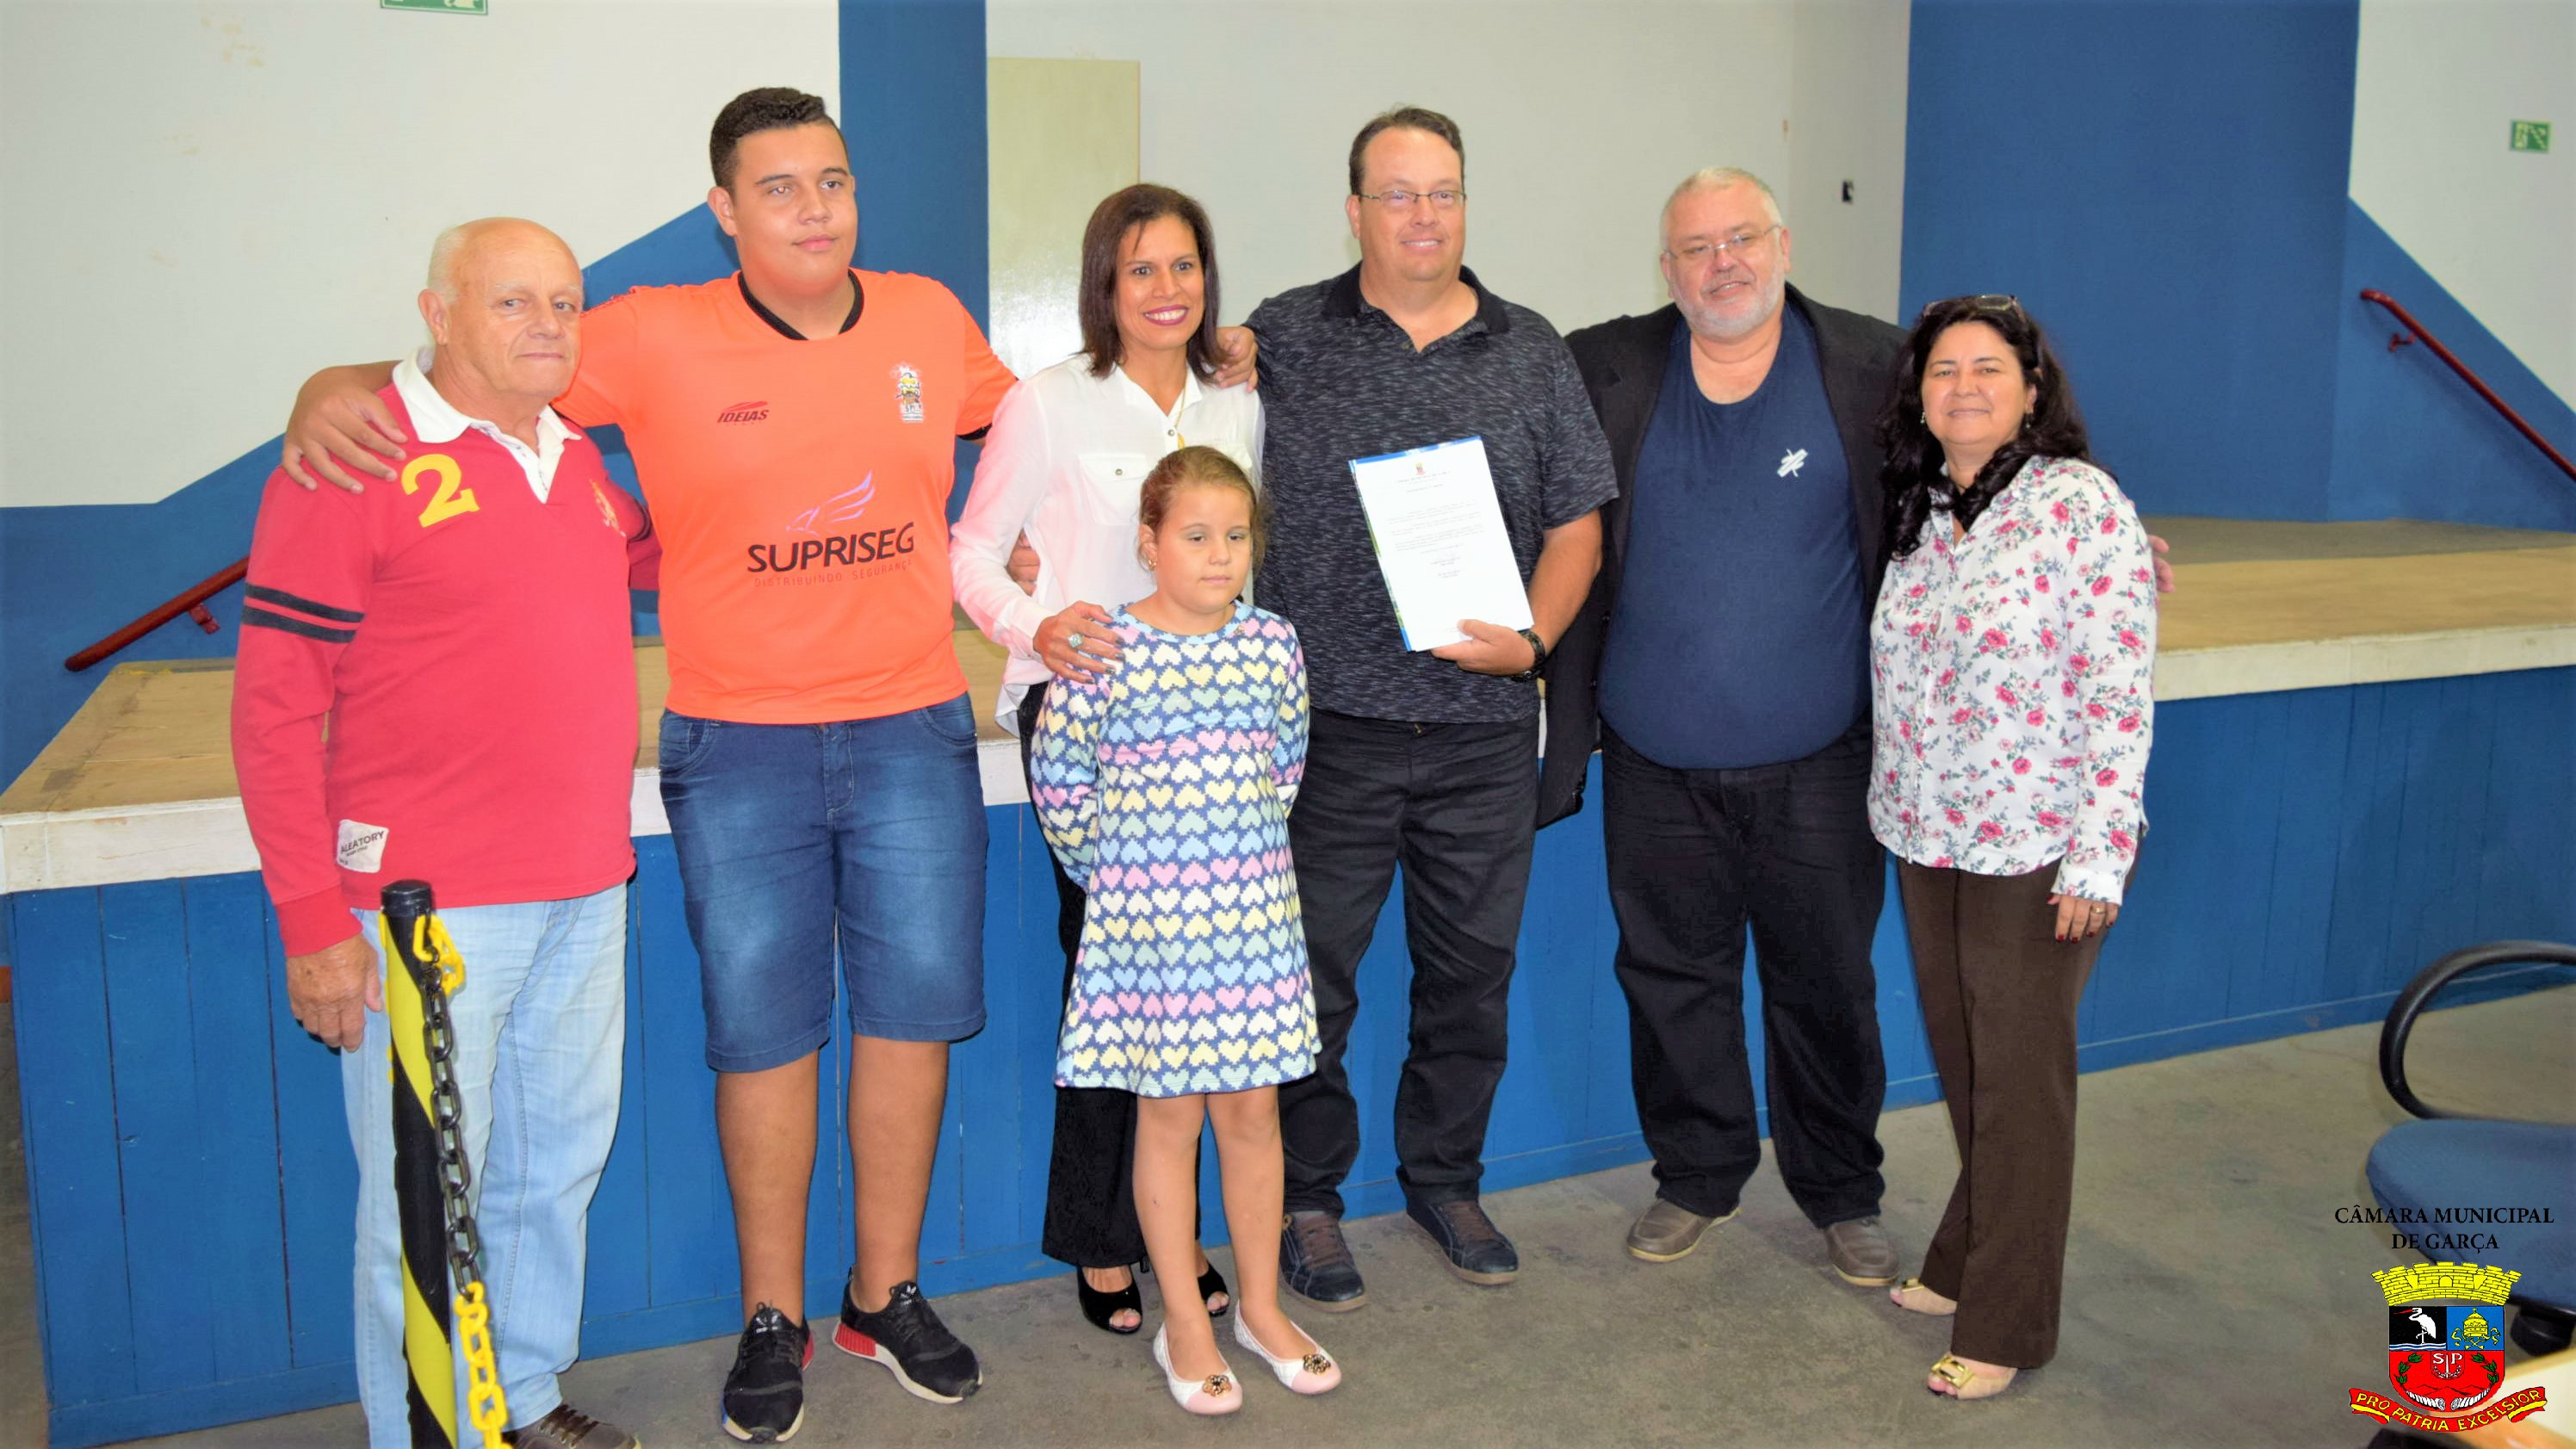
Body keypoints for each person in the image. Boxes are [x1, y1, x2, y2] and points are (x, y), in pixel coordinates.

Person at [281, 88, 1013, 1444]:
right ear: (724, 209)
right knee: (763, 1032)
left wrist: (1205, 362)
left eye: (833, 179)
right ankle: (771, 1317)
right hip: (737, 741)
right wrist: (338, 387)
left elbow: (1041, 429)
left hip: (912, 724)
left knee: (911, 1021)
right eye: (777, 186)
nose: (813, 208)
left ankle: (884, 1294)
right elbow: (486, 360)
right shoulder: (647, 330)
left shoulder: (929, 317)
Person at [232, 218, 651, 1449]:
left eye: (565, 303)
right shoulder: (352, 457)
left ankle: (517, 1397)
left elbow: (686, 554)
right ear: (437, 314)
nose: (547, 326)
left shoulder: (579, 463)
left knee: (551, 1166)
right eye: (512, 301)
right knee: (422, 1200)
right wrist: (313, 924)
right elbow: (271, 713)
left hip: (587, 883)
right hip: (424, 910)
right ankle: (426, 1432)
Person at [1243, 106, 1616, 1310]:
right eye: (1397, 193)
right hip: (1324, 732)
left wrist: (1533, 642)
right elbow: (1178, 442)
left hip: (1481, 735)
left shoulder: (1529, 347)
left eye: (1443, 191)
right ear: (1353, 210)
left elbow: (1577, 524)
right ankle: (1307, 1199)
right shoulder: (1283, 335)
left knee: (1469, 980)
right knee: (1311, 983)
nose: (1423, 215)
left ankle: (1446, 1181)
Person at [1548, 168, 1908, 1284]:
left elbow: (1985, 447)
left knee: (1828, 985)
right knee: (1671, 982)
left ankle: (1841, 1190)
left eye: (1741, 238)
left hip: (1822, 762)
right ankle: (1696, 1174)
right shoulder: (1604, 366)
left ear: (1783, 245)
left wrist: (2089, 520)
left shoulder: (1874, 364)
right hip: (1653, 763)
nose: (1723, 263)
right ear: (1666, 269)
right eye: (1696, 248)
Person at [950, 183, 1260, 1334]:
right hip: (1093, 722)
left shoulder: (1237, 401)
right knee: (1118, 982)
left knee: (1201, 996)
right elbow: (970, 548)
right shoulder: (1049, 402)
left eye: (1184, 266)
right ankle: (1103, 1234)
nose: (1167, 289)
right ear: (1104, 285)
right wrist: (1035, 626)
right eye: (1141, 269)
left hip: (1211, 727)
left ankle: (1169, 1232)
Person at [1870, 294, 2155, 1401]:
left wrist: (2100, 853)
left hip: (2039, 845)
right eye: (1943, 370)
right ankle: (1960, 1256)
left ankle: (2006, 1321)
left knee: (2021, 1087)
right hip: (1926, 833)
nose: (1964, 388)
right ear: (1919, 396)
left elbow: (2120, 687)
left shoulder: (2080, 505)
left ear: (2032, 391)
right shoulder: (1921, 510)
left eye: (1988, 368)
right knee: (1968, 1066)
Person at [1027, 447, 1340, 1414]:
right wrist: (1127, 882)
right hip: (1149, 931)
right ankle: (1186, 1323)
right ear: (1148, 543)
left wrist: (1230, 869)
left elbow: (1284, 768)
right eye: (1196, 536)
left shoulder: (1273, 643)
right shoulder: (1103, 649)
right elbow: (1060, 785)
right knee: (1168, 1120)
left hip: (1253, 922)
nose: (1219, 555)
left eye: (1236, 536)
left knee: (1253, 1116)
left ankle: (1260, 1309)